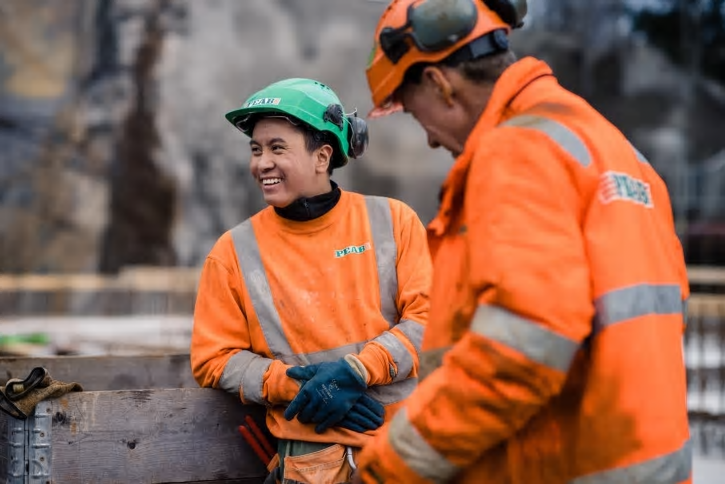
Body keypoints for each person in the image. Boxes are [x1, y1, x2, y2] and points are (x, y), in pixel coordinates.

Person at [352, 0, 692, 483]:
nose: (428, 138)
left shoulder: (517, 151)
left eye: (411, 112)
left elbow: (516, 353)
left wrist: (390, 467)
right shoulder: (612, 147)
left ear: (439, 84)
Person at [189, 77, 431, 484]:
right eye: (256, 149)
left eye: (277, 148)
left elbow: (431, 318)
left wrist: (356, 372)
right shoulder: (234, 251)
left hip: (403, 449)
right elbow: (213, 358)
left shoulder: (393, 221)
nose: (261, 162)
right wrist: (292, 385)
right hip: (310, 465)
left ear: (322, 157)